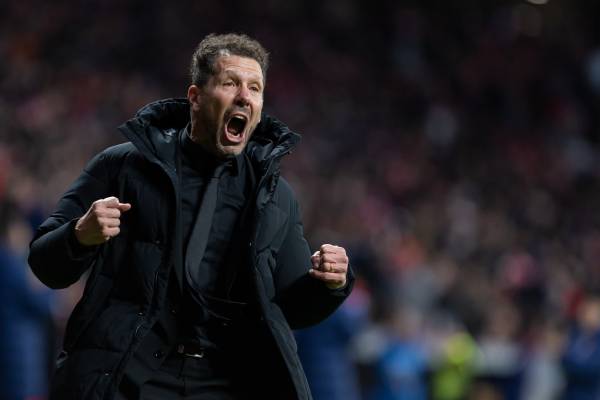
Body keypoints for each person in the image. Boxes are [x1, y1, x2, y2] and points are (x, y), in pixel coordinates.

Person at [28, 33, 353, 400]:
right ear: (195, 98)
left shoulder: (276, 196)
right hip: (130, 378)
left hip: (227, 383)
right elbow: (45, 265)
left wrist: (330, 284)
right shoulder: (123, 166)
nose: (244, 96)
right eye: (230, 83)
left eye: (255, 88)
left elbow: (293, 311)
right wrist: (78, 236)